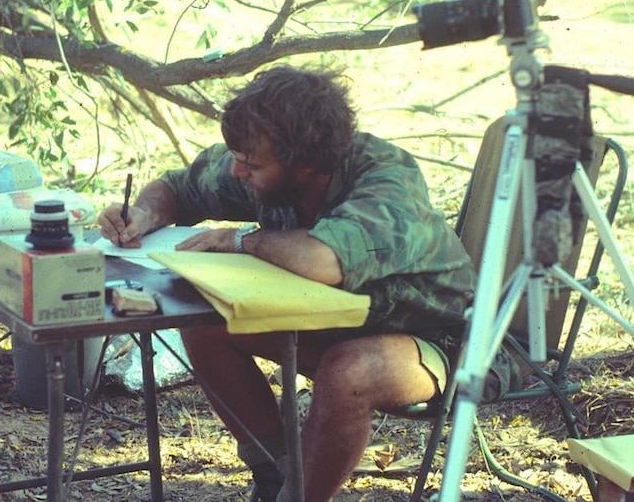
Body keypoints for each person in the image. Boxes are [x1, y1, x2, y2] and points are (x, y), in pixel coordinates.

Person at [99, 65, 510, 502]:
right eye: (238, 159)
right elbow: (180, 188)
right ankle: (276, 472)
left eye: (250, 165)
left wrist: (238, 239)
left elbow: (324, 259)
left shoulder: (387, 178)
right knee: (206, 324)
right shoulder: (269, 162)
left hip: (447, 339)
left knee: (348, 370)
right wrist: (143, 213)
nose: (238, 173)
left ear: (306, 165)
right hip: (344, 321)